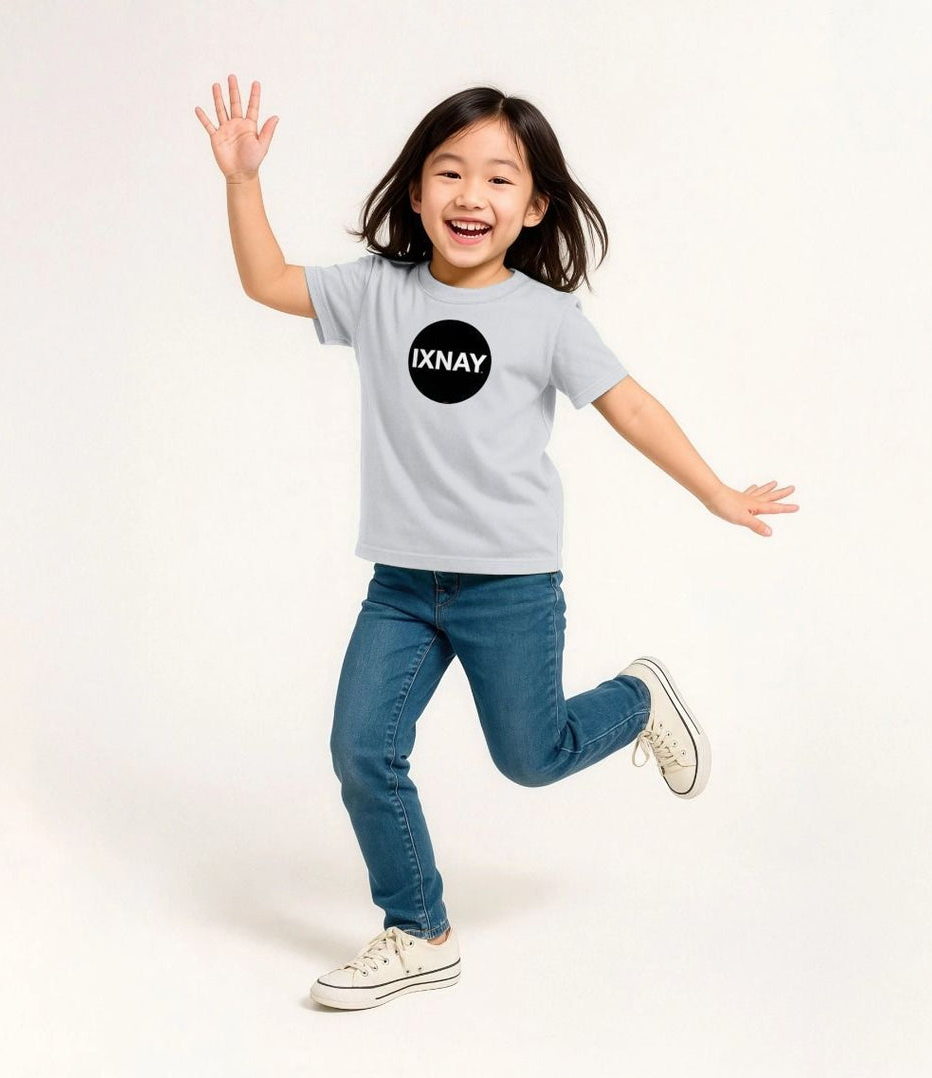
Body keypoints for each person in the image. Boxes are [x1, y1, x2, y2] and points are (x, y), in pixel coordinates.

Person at [195, 76, 799, 1011]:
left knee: (532, 756)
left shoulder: (546, 316)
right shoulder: (377, 293)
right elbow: (267, 281)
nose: (471, 196)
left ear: (533, 205)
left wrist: (715, 489)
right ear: (415, 192)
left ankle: (637, 700)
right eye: (449, 173)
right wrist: (242, 182)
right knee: (362, 750)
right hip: (401, 585)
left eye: (499, 180)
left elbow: (630, 407)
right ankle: (418, 930)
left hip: (509, 586)